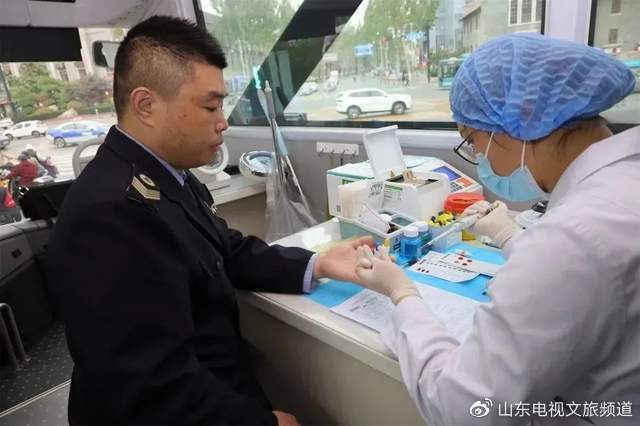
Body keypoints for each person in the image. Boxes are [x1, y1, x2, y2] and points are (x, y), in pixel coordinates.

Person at [47, 16, 373, 426]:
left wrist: (319, 263)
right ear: (146, 106)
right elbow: (149, 387)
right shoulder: (110, 214)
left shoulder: (171, 177)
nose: (223, 121)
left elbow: (226, 250)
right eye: (210, 106)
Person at [355, 33, 639, 425]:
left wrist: (402, 295)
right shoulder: (621, 183)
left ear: (519, 121)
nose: (479, 159)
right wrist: (510, 236)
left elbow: (465, 408)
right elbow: (588, 282)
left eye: (472, 142)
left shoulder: (573, 235)